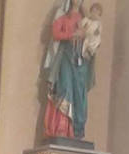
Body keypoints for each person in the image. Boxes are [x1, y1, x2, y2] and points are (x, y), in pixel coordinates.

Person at [44, 0, 97, 140]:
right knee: (65, 88)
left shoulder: (86, 20)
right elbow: (55, 33)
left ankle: (76, 129)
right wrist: (72, 35)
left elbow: (94, 38)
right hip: (66, 57)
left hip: (81, 61)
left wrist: (86, 36)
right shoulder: (63, 16)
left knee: (79, 93)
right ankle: (61, 128)